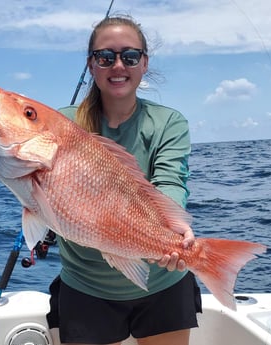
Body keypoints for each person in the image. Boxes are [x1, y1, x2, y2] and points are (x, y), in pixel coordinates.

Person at [46, 15, 202, 345]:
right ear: (91, 65)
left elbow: (171, 179)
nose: (118, 66)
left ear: (144, 63)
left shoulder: (168, 122)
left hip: (164, 282)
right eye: (105, 57)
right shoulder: (63, 125)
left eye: (129, 56)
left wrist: (170, 230)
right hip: (86, 287)